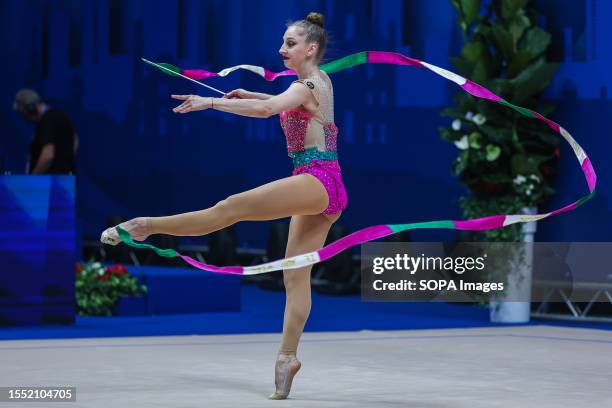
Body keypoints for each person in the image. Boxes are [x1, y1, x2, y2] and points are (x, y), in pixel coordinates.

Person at [101, 12, 346, 399]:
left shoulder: (308, 84)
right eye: (283, 43)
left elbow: (272, 110)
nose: (281, 50)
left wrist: (210, 103)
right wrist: (253, 95)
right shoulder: (313, 83)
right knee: (294, 275)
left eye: (290, 44)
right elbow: (282, 104)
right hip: (324, 186)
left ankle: (146, 225)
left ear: (310, 48)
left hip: (317, 179)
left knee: (228, 208)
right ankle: (287, 357)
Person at [13, 89, 78, 175]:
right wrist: (65, 158)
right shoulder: (59, 115)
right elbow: (75, 138)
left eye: (23, 113)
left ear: (31, 108)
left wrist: (32, 178)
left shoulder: (47, 120)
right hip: (62, 180)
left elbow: (48, 154)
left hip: (51, 182)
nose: (25, 118)